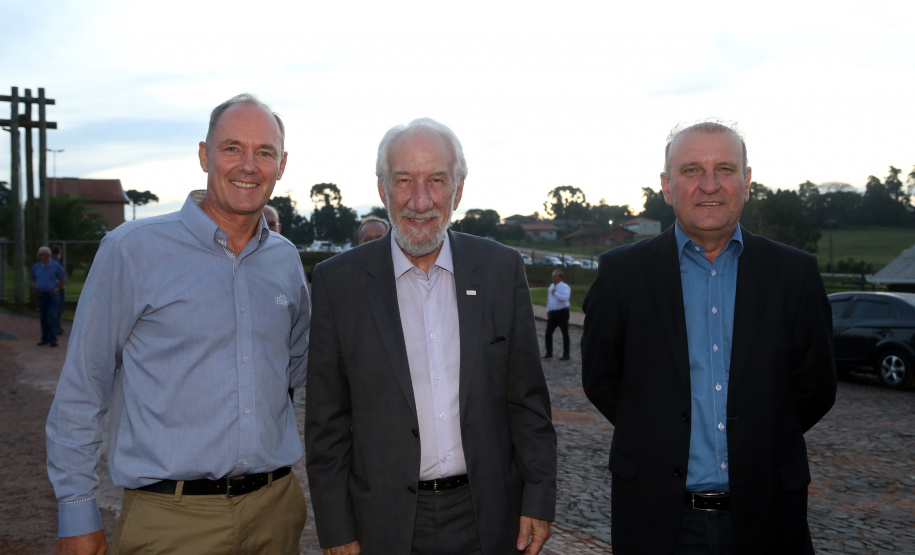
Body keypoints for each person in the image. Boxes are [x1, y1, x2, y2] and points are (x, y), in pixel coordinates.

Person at [46, 93, 310, 555]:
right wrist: (77, 510)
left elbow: (297, 369)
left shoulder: (286, 261)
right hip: (170, 522)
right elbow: (82, 387)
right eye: (232, 148)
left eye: (264, 152)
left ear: (282, 164)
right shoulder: (132, 250)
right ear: (205, 154)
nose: (248, 165)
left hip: (276, 514)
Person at [581, 120, 837, 554]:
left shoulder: (794, 274)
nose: (710, 185)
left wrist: (757, 438)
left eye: (725, 168)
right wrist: (660, 435)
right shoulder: (622, 275)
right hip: (658, 520)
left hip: (769, 516)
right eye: (692, 171)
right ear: (666, 185)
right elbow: (602, 380)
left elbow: (815, 388)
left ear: (747, 181)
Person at [305, 118, 557, 555]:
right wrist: (336, 528)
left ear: (458, 190)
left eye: (436, 180)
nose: (420, 201)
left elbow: (528, 402)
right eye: (404, 180)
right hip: (381, 523)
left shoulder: (500, 270)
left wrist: (538, 497)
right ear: (383, 189)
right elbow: (326, 424)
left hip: (489, 517)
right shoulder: (337, 283)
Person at [29, 246, 66, 347]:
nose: (40, 256)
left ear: (47, 255)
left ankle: (53, 338)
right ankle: (44, 338)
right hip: (41, 295)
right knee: (43, 317)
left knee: (52, 316)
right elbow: (31, 278)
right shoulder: (36, 266)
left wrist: (57, 289)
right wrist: (34, 289)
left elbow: (63, 277)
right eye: (39, 255)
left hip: (52, 295)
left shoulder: (55, 266)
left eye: (41, 254)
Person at [543, 269, 570, 360]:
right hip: (553, 313)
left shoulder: (565, 287)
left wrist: (556, 293)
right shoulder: (551, 286)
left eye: (554, 276)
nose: (553, 278)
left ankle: (566, 354)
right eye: (552, 276)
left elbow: (565, 298)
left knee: (565, 333)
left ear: (560, 277)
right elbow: (549, 299)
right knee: (548, 333)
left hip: (562, 312)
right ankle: (549, 352)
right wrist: (548, 309)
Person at [51, 245, 66, 334]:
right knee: (58, 308)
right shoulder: (57, 263)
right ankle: (56, 327)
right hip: (57, 288)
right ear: (59, 253)